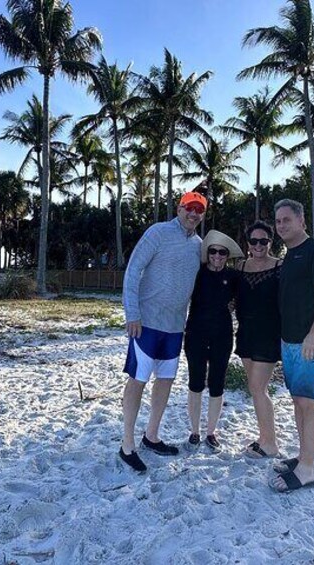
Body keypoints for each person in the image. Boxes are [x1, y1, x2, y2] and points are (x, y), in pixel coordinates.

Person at [119, 191, 207, 473]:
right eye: (189, 208)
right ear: (179, 209)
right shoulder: (157, 233)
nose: (193, 214)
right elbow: (133, 271)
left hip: (174, 327)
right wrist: (132, 313)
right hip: (146, 323)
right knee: (138, 380)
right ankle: (127, 445)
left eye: (199, 210)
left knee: (165, 380)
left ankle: (152, 435)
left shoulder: (199, 245)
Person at [270, 199, 314, 492]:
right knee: (299, 400)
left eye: (287, 219)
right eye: (278, 221)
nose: (281, 225)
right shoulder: (290, 255)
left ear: (302, 222)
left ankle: (308, 470)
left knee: (308, 403)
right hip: (290, 341)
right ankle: (304, 457)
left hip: (311, 342)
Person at [184, 230, 243, 452]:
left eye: (222, 253)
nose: (217, 256)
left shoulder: (234, 277)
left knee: (217, 384)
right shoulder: (196, 274)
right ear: (207, 254)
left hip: (222, 336)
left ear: (227, 256)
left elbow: (244, 300)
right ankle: (194, 432)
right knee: (196, 383)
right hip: (195, 334)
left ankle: (210, 432)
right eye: (213, 252)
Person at [235, 220, 283, 459]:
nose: (258, 245)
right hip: (245, 334)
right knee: (255, 389)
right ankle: (264, 438)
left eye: (263, 241)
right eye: (253, 241)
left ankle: (271, 443)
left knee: (258, 388)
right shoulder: (241, 267)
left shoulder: (280, 267)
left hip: (268, 335)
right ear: (248, 243)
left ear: (270, 242)